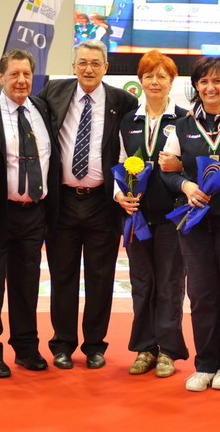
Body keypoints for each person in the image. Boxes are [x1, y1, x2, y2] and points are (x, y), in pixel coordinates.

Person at [37, 40, 138, 369]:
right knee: (62, 276)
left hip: (102, 203)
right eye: (82, 63)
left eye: (96, 63)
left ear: (106, 68)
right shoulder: (53, 92)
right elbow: (19, 108)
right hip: (62, 201)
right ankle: (62, 344)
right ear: (73, 65)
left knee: (101, 277)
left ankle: (95, 345)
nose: (89, 69)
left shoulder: (123, 101)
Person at [161, 56, 220, 392]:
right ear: (196, 86)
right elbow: (166, 170)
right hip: (195, 224)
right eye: (203, 82)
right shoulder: (182, 127)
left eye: (217, 81)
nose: (210, 88)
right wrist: (186, 186)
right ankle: (204, 364)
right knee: (201, 294)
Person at [0, 49, 60, 378]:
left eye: (26, 74)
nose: (21, 80)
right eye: (14, 74)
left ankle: (25, 348)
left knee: (27, 285)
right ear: (0, 78)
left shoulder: (42, 108)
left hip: (35, 212)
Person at [115, 50, 189, 378]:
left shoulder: (186, 121)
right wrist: (120, 196)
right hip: (137, 216)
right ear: (140, 80)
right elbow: (115, 163)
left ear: (172, 81)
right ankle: (145, 348)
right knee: (141, 282)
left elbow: (197, 164)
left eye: (161, 76)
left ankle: (169, 350)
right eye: (148, 75)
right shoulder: (128, 121)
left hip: (173, 216)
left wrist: (183, 166)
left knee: (171, 284)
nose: (154, 82)